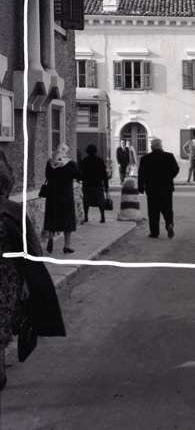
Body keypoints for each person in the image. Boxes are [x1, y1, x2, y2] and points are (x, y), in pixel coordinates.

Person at [0, 154, 65, 391]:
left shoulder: (12, 212)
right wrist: (30, 281)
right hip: (8, 279)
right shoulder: (14, 211)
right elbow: (33, 251)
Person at [138, 138, 180, 239]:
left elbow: (141, 174)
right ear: (161, 146)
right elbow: (176, 169)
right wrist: (169, 177)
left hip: (151, 188)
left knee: (153, 211)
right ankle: (169, 224)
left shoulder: (145, 158)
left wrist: (141, 187)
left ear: (151, 147)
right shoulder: (169, 156)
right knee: (167, 209)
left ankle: (154, 232)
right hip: (166, 188)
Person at [43, 144, 81, 254]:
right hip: (66, 195)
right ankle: (66, 246)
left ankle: (50, 239)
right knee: (67, 220)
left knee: (52, 217)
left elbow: (47, 176)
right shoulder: (70, 163)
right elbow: (78, 175)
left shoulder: (50, 162)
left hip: (52, 195)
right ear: (66, 152)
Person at [80, 144, 109, 224]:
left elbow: (81, 173)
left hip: (87, 184)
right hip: (97, 184)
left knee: (86, 201)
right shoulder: (100, 160)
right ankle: (102, 216)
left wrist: (81, 180)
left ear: (87, 151)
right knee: (100, 201)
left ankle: (86, 216)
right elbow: (104, 174)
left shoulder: (84, 161)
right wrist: (106, 186)